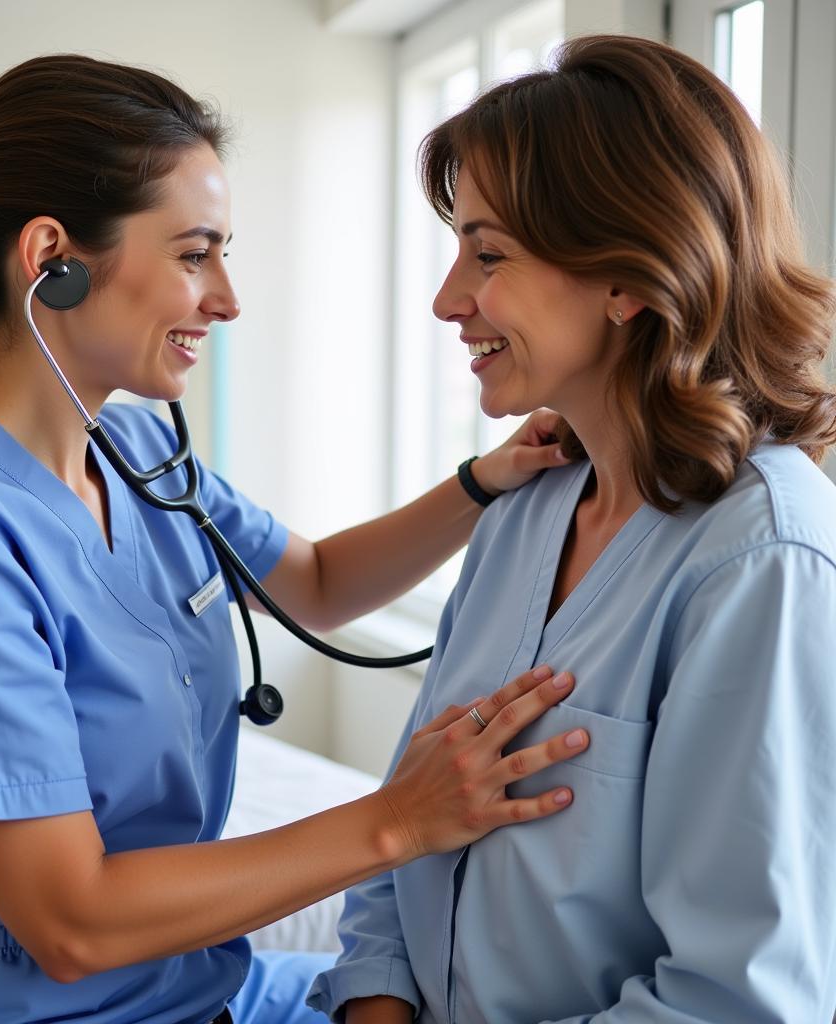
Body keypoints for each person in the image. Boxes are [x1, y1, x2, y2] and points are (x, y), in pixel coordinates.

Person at [0, 54, 589, 1024]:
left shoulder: (132, 446)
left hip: (185, 983)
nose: (226, 298)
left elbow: (313, 583)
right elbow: (70, 923)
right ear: (52, 257)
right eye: (194, 253)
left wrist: (483, 480)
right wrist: (395, 820)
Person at [308, 33, 836, 1024]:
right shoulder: (525, 508)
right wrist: (374, 1005)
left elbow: (735, 1000)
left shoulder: (762, 559)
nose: (445, 299)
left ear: (629, 275)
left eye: (488, 252)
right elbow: (401, 832)